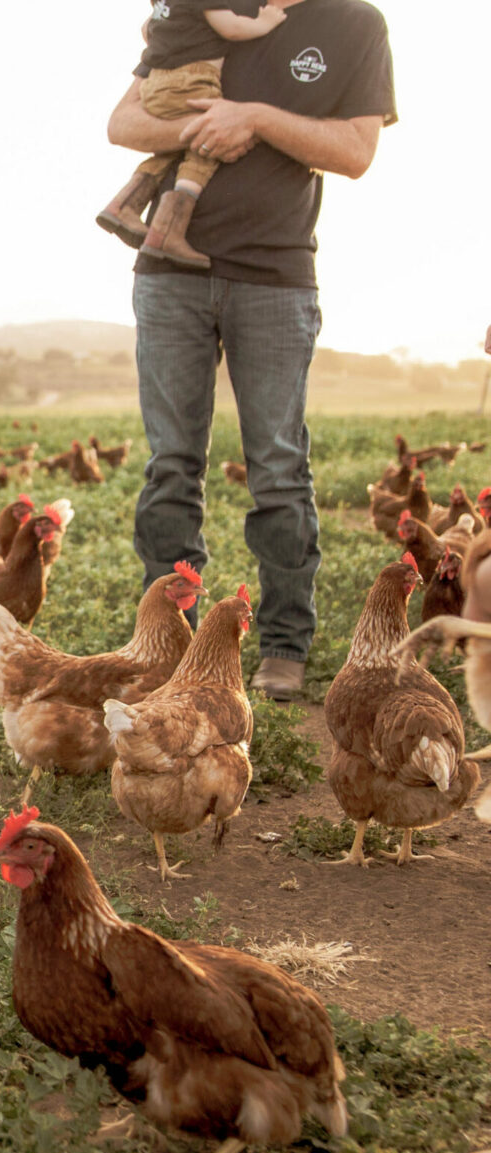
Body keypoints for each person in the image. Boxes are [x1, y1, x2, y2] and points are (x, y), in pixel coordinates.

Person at [109, 0, 395, 701]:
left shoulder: (355, 24)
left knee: (277, 466)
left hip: (274, 276)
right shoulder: (211, 8)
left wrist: (257, 117)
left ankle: (284, 646)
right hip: (169, 277)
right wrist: (205, 125)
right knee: (170, 464)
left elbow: (356, 152)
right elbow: (122, 122)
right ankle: (171, 646)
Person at [98, 2, 292, 267]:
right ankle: (169, 230)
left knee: (171, 147)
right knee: (210, 139)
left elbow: (148, 29)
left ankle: (125, 203)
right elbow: (232, 29)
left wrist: (176, 41)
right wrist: (264, 23)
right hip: (193, 79)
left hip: (157, 81)